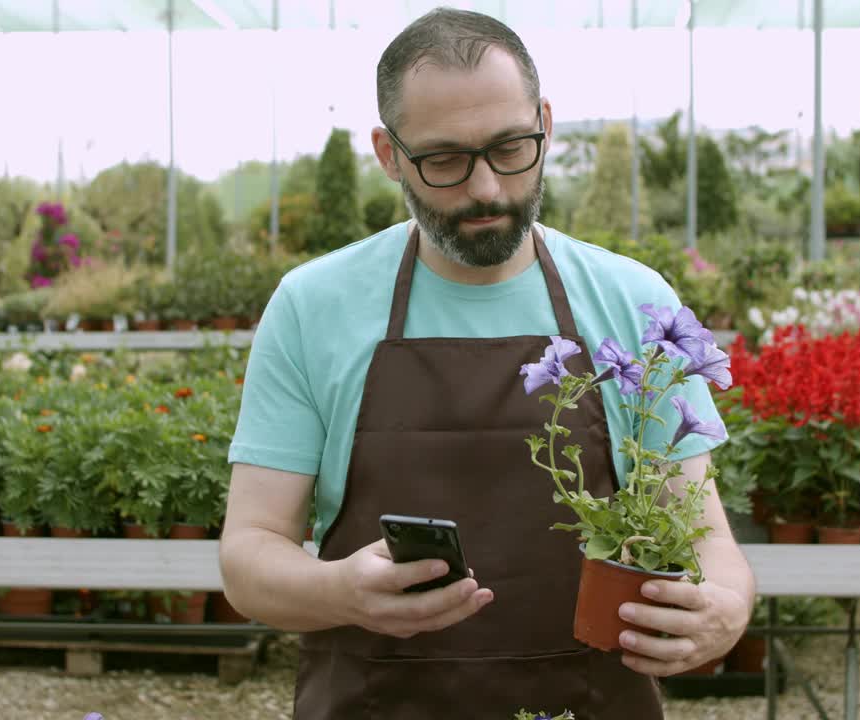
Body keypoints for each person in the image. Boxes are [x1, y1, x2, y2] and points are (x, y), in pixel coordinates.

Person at [218, 8, 756, 718]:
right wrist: (340, 591)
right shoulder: (315, 306)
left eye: (511, 149)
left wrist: (725, 605)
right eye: (445, 160)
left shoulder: (632, 301)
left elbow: (706, 532)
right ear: (388, 154)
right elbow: (249, 554)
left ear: (547, 124)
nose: (486, 190)